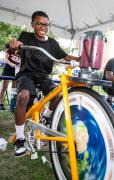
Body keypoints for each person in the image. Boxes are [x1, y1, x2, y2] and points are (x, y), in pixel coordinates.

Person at [9, 11, 80, 157]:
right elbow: (17, 46)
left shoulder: (52, 43)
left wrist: (80, 58)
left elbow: (65, 56)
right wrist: (15, 45)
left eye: (46, 24)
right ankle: (20, 139)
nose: (43, 27)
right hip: (26, 74)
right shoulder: (26, 36)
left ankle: (45, 117)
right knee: (23, 96)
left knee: (57, 94)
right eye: (39, 24)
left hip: (43, 76)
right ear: (33, 25)